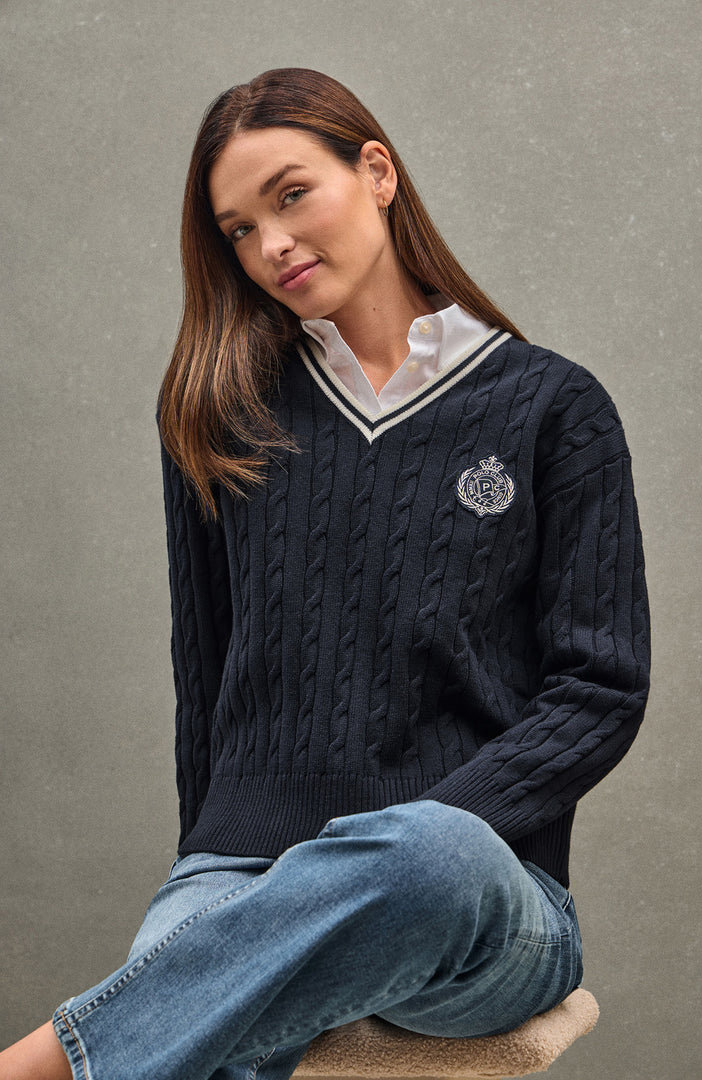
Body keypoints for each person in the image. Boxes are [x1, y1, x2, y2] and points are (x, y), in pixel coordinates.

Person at [0, 68, 650, 1080]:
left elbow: (599, 687)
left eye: (291, 195)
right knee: (200, 986)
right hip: (245, 867)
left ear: (377, 173)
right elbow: (205, 683)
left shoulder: (554, 409)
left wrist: (418, 832)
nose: (271, 245)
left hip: (482, 889)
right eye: (239, 230)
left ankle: (44, 1063)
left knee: (429, 855)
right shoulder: (218, 416)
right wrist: (215, 887)